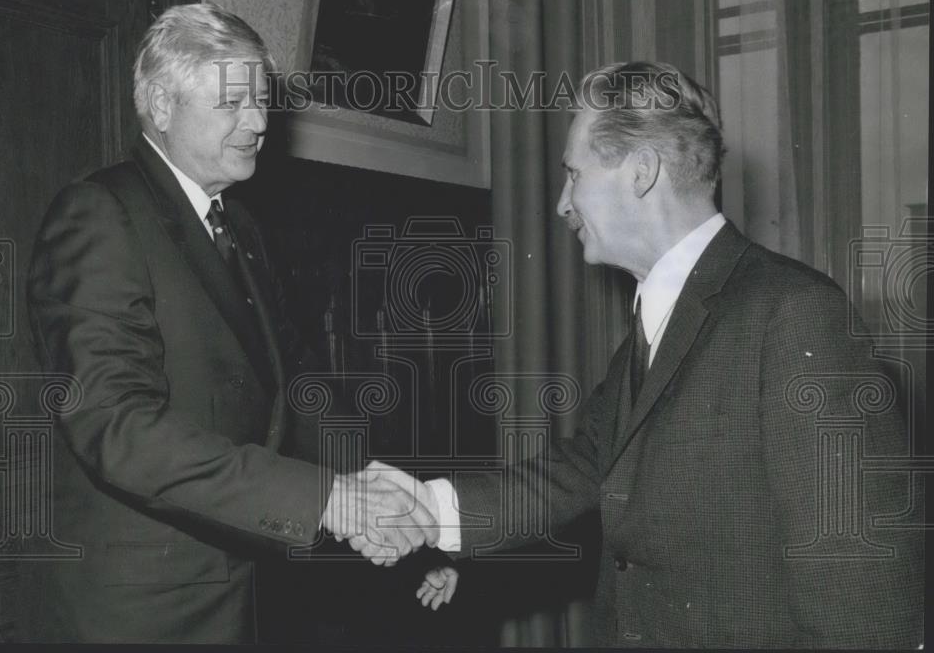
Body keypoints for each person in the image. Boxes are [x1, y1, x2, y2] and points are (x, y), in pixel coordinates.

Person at [353, 62, 924, 647]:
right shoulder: (655, 324)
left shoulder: (794, 312)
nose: (561, 204)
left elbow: (865, 593)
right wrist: (428, 507)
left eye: (574, 175)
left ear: (641, 172)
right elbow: (581, 468)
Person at [27, 2, 433, 643]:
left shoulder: (237, 224)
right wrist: (326, 500)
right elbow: (116, 424)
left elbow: (293, 387)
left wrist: (382, 493)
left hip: (240, 589)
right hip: (142, 611)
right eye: (233, 103)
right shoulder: (99, 213)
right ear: (161, 106)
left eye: (263, 101)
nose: (258, 123)